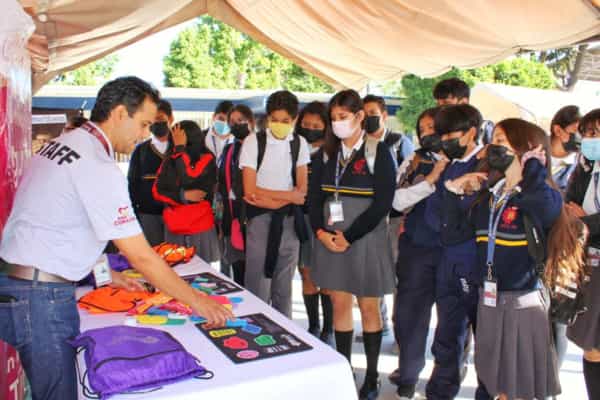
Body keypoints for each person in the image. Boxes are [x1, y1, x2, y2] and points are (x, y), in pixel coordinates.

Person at [0, 76, 232, 400]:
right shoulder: (96, 163)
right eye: (144, 124)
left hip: (22, 287)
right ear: (121, 113)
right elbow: (142, 256)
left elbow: (62, 226)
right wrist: (198, 301)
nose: (144, 135)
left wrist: (109, 275)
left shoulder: (65, 144)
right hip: (42, 298)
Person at [445, 118, 563, 400]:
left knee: (520, 389)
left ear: (526, 148)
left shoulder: (536, 195)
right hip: (489, 301)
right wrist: (454, 192)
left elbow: (547, 207)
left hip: (522, 303)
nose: (492, 147)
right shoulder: (491, 195)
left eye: (501, 141)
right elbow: (451, 235)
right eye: (494, 140)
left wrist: (533, 167)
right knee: (496, 385)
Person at [309, 89, 396, 400]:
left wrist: (349, 236)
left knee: (368, 307)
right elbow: (313, 200)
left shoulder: (378, 152)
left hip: (364, 239)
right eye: (333, 118)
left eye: (343, 117)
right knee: (339, 303)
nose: (337, 124)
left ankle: (372, 377)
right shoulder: (325, 154)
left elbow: (383, 203)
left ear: (360, 116)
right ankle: (345, 369)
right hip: (330, 239)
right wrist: (321, 233)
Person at [424, 104, 490, 400]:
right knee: (447, 333)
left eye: (451, 134)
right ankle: (440, 391)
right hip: (447, 260)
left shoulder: (486, 167)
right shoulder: (450, 165)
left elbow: (469, 215)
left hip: (472, 263)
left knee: (484, 336)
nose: (445, 140)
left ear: (471, 133)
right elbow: (435, 211)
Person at [389, 107, 449, 399]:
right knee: (408, 317)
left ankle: (445, 380)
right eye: (422, 128)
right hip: (417, 250)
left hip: (454, 253)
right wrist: (429, 181)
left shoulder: (471, 162)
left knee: (452, 322)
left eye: (433, 128)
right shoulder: (413, 162)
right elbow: (397, 201)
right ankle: (408, 376)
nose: (427, 134)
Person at [240, 90, 310, 318]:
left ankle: (286, 337)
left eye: (285, 121)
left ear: (295, 120)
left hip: (289, 223)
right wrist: (287, 197)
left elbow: (302, 191)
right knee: (258, 285)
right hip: (259, 221)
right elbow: (250, 190)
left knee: (284, 288)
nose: (279, 125)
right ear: (268, 118)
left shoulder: (300, 144)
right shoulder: (253, 142)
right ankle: (255, 332)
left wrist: (272, 199)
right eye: (275, 120)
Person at [363, 94, 415, 336]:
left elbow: (409, 180)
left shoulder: (399, 142)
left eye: (373, 114)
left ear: (384, 115)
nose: (368, 119)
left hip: (393, 218)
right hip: (367, 217)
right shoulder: (359, 144)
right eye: (364, 114)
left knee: (395, 275)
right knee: (371, 272)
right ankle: (377, 323)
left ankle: (399, 328)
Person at [564, 109, 600, 400]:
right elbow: (568, 207)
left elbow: (578, 216)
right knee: (591, 346)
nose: (589, 140)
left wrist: (584, 220)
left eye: (595, 134)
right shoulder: (585, 170)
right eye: (587, 134)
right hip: (588, 263)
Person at [153, 120, 221, 263]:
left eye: (179, 137)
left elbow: (189, 178)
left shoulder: (207, 158)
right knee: (176, 275)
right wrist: (182, 195)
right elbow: (158, 191)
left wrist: (179, 150)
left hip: (199, 228)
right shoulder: (169, 159)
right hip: (174, 227)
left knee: (201, 278)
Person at [295, 101, 334, 345]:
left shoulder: (333, 152)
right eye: (306, 125)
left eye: (316, 125)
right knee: (306, 272)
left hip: (328, 220)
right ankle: (313, 326)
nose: (310, 129)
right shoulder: (296, 150)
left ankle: (329, 329)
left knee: (328, 277)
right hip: (301, 219)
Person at [217, 104, 256, 285]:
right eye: (232, 122)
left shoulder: (259, 146)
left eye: (240, 120)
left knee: (254, 272)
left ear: (251, 121)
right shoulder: (229, 149)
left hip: (254, 216)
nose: (236, 125)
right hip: (232, 217)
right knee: (238, 269)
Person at [127, 99, 173, 246]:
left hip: (176, 215)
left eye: (160, 119)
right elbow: (132, 184)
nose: (157, 124)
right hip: (148, 216)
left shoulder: (181, 147)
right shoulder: (140, 151)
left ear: (170, 119)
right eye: (152, 121)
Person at [433, 77, 493, 146]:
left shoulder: (485, 128)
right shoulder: (437, 129)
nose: (441, 109)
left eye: (446, 103)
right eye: (438, 105)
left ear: (464, 102)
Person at [550, 105, 581, 193]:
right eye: (577, 132)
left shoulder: (579, 165)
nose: (582, 138)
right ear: (558, 130)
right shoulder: (534, 150)